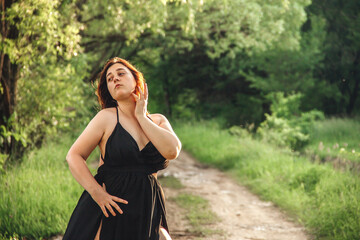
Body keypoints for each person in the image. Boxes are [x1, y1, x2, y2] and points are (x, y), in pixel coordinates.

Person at [63, 57, 181, 240]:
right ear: (109, 91)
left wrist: (141, 117)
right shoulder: (105, 118)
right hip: (110, 207)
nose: (115, 79)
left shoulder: (158, 120)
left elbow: (172, 151)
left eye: (120, 74)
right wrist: (97, 193)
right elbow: (74, 156)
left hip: (146, 207)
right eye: (109, 79)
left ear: (136, 81)